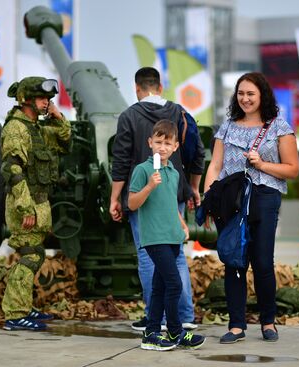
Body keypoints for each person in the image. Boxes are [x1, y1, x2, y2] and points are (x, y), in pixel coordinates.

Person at [204, 72, 299, 343]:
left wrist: (262, 165)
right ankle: (236, 325)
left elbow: (292, 169)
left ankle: (268, 322)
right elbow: (215, 166)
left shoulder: (280, 127)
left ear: (262, 96)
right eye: (241, 93)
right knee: (234, 262)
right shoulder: (227, 127)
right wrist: (209, 199)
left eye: (251, 94)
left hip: (265, 198)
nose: (245, 99)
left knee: (262, 263)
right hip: (231, 201)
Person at [109, 67, 205, 331]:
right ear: (160, 87)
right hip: (175, 193)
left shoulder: (129, 116)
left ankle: (156, 317)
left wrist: (115, 198)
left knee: (148, 255)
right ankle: (184, 315)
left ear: (137, 89)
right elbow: (197, 153)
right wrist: (194, 188)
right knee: (176, 255)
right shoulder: (182, 114)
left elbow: (120, 160)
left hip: (143, 195)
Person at [1, 76, 71, 331]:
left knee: (36, 254)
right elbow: (12, 169)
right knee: (30, 255)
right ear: (27, 100)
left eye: (49, 99)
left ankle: (23, 306)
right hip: (26, 204)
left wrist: (58, 117)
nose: (47, 103)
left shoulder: (36, 128)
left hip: (39, 203)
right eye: (42, 99)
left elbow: (65, 142)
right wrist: (25, 207)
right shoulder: (16, 129)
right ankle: (15, 315)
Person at [129, 120, 206, 351]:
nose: (162, 147)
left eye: (167, 143)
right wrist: (149, 187)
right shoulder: (143, 170)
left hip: (172, 236)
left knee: (161, 286)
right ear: (150, 142)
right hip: (154, 238)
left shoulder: (173, 172)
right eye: (158, 142)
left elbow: (172, 204)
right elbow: (132, 204)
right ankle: (175, 332)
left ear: (175, 147)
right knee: (174, 284)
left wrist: (181, 223)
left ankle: (152, 332)